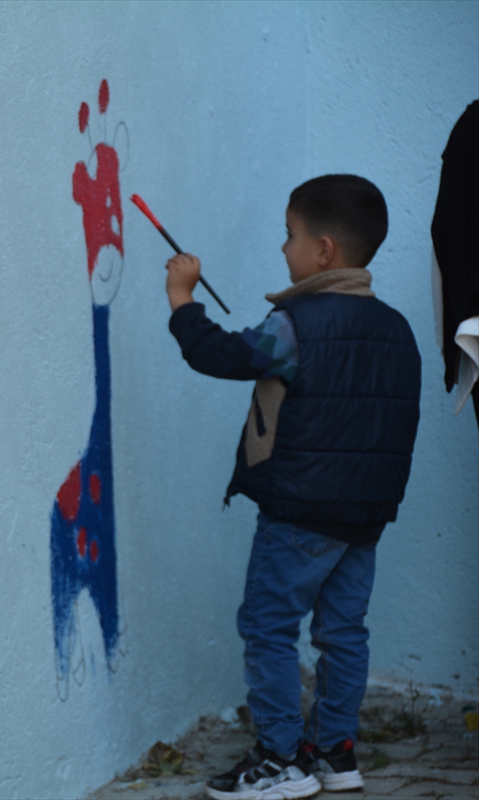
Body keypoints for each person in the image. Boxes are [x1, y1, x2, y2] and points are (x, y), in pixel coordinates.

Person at [164, 175, 421, 800]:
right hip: (364, 519)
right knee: (343, 631)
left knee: (268, 626)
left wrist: (181, 298)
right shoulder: (398, 330)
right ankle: (335, 751)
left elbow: (223, 355)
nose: (284, 249)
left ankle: (281, 757)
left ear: (324, 251)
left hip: (300, 513)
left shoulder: (297, 324)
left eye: (290, 235)